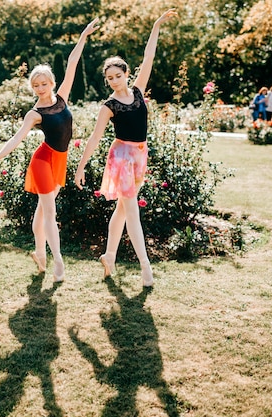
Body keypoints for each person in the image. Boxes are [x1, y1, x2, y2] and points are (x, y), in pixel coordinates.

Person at [0, 18, 101, 282]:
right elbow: (16, 139)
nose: (40, 88)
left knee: (42, 210)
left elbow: (72, 63)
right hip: (43, 160)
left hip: (61, 160)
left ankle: (39, 252)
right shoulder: (34, 113)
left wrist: (83, 35)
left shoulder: (62, 98)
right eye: (35, 85)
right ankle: (58, 261)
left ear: (51, 82)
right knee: (50, 211)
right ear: (32, 87)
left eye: (44, 83)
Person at [74, 9, 177, 288]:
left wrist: (155, 24)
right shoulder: (109, 106)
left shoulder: (139, 91)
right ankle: (146, 267)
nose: (114, 81)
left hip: (140, 155)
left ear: (126, 74)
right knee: (132, 210)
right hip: (120, 157)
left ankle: (109, 255)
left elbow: (149, 58)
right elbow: (95, 138)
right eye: (110, 78)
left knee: (122, 209)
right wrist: (81, 166)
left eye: (118, 75)